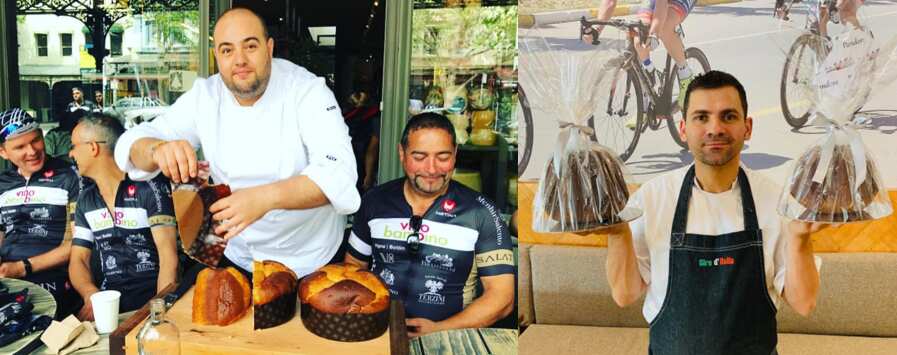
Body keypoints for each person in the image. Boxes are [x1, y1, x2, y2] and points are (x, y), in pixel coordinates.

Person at [113, 7, 359, 278]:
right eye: (227, 50)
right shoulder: (205, 97)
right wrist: (157, 149)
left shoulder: (306, 91)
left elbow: (338, 173)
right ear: (217, 55)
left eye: (250, 46)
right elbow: (130, 144)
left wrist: (264, 198)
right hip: (239, 254)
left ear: (269, 48)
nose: (239, 60)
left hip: (309, 257)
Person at [599, 71, 823, 354]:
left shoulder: (778, 201)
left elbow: (804, 304)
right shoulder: (652, 198)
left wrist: (801, 240)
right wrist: (618, 234)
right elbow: (624, 294)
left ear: (747, 127)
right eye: (701, 117)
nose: (714, 128)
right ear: (683, 129)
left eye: (728, 116)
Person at [345, 113, 515, 338]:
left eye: (443, 157)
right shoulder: (375, 202)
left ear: (455, 155)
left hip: (450, 339)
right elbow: (354, 268)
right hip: (376, 333)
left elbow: (502, 298)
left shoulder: (481, 212)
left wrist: (439, 330)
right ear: (402, 154)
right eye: (420, 156)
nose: (432, 169)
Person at [68, 113, 178, 319]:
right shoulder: (86, 201)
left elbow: (168, 257)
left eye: (74, 146)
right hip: (110, 304)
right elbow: (78, 260)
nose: (71, 154)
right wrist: (89, 293)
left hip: (154, 299)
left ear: (93, 147)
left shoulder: (149, 186)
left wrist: (158, 313)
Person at [0, 108, 83, 319]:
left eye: (36, 140)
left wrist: (23, 267)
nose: (32, 151)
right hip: (9, 278)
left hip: (55, 279)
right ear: (3, 152)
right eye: (20, 147)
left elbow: (81, 243)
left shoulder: (70, 176)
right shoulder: (3, 184)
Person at [343, 90, 381, 193]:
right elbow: (371, 150)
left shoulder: (344, 118)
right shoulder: (375, 120)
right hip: (361, 167)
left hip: (344, 165)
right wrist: (368, 176)